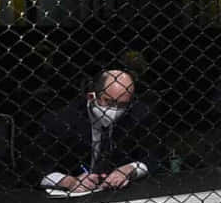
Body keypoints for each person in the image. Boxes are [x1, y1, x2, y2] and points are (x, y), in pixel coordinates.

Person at [36, 68, 153, 196]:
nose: (114, 110)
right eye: (109, 101)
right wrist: (69, 181)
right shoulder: (60, 120)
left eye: (122, 105)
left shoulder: (138, 114)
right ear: (91, 96)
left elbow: (154, 158)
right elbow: (36, 169)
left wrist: (131, 169)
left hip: (120, 194)